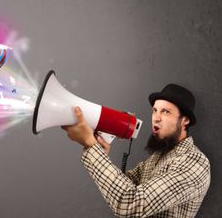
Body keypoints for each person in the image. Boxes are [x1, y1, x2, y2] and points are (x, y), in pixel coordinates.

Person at [61, 84, 211, 217]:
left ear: (185, 120)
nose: (156, 118)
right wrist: (100, 152)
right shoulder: (157, 157)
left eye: (165, 112)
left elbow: (129, 204)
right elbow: (124, 186)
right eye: (154, 110)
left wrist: (91, 145)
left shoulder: (194, 163)